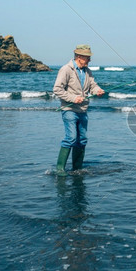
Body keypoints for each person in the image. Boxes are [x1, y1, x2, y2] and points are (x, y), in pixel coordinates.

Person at [53, 44, 105, 175]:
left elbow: (93, 85)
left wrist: (97, 90)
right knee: (71, 138)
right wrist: (73, 98)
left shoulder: (88, 71)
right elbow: (57, 89)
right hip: (69, 109)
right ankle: (60, 169)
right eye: (87, 57)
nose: (89, 60)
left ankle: (77, 169)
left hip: (83, 110)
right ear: (79, 57)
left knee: (82, 140)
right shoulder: (66, 69)